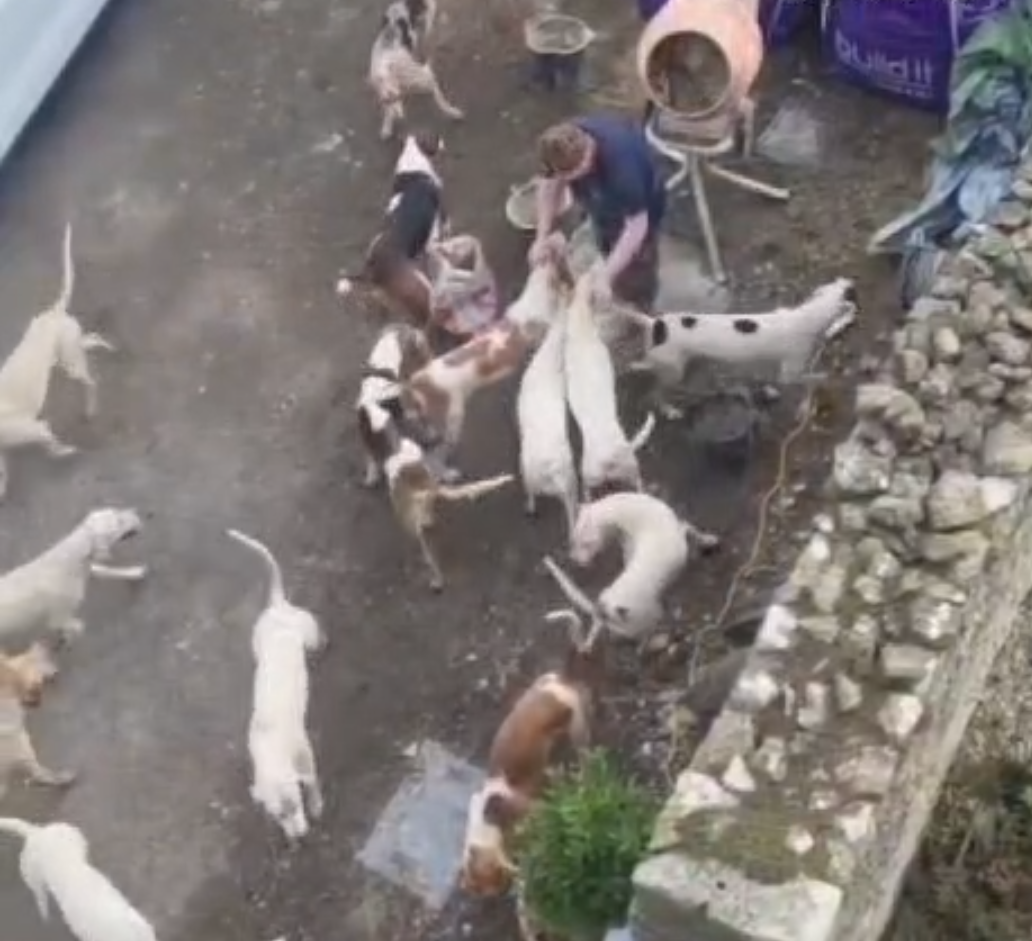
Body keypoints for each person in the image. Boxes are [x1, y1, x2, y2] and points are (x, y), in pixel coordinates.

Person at [529, 115, 666, 310]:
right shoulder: (557, 145)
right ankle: (610, 256)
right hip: (603, 201)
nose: (565, 181)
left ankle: (639, 303)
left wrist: (606, 275)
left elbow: (636, 226)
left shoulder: (624, 170)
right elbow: (549, 184)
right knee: (605, 234)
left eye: (570, 176)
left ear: (586, 157)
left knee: (636, 266)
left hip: (642, 209)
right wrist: (541, 236)